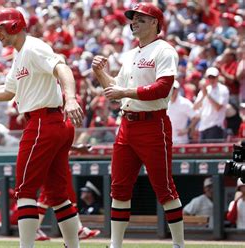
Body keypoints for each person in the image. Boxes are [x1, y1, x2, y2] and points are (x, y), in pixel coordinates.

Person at [0, 8, 85, 248]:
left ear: (15, 25)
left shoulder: (33, 47)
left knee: (25, 190)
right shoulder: (20, 54)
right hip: (52, 123)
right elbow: (8, 91)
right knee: (59, 196)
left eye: (0, 28)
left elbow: (63, 68)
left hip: (42, 122)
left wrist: (70, 98)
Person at [91, 3, 185, 248]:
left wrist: (126, 91)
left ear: (155, 23)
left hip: (153, 124)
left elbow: (163, 87)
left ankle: (178, 245)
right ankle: (115, 245)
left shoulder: (164, 50)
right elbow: (116, 91)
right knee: (119, 188)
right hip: (127, 125)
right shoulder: (131, 54)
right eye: (133, 19)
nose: (134, 22)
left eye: (141, 19)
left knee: (164, 188)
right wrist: (100, 73)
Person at [193, 67, 230, 142]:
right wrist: (204, 95)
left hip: (216, 126)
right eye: (209, 77)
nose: (211, 79)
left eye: (213, 77)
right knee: (202, 153)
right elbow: (195, 107)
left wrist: (207, 95)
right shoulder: (204, 90)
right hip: (203, 126)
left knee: (214, 153)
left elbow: (218, 107)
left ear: (217, 77)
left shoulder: (223, 89)